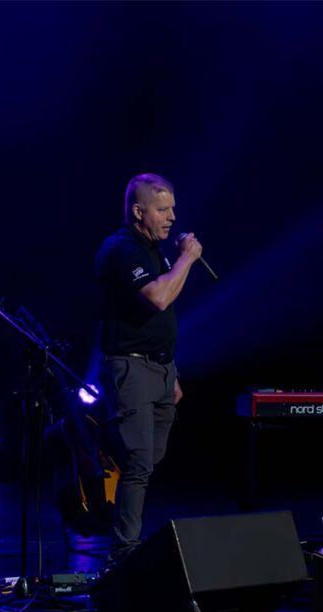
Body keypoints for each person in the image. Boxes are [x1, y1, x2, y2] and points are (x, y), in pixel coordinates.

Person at [95, 173, 203, 566]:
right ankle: (124, 552)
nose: (172, 217)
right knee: (139, 462)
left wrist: (171, 371)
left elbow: (164, 306)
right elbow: (158, 298)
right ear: (139, 211)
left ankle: (110, 450)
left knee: (151, 457)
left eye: (173, 208)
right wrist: (189, 258)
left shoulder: (154, 249)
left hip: (160, 370)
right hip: (130, 367)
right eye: (163, 209)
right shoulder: (122, 249)